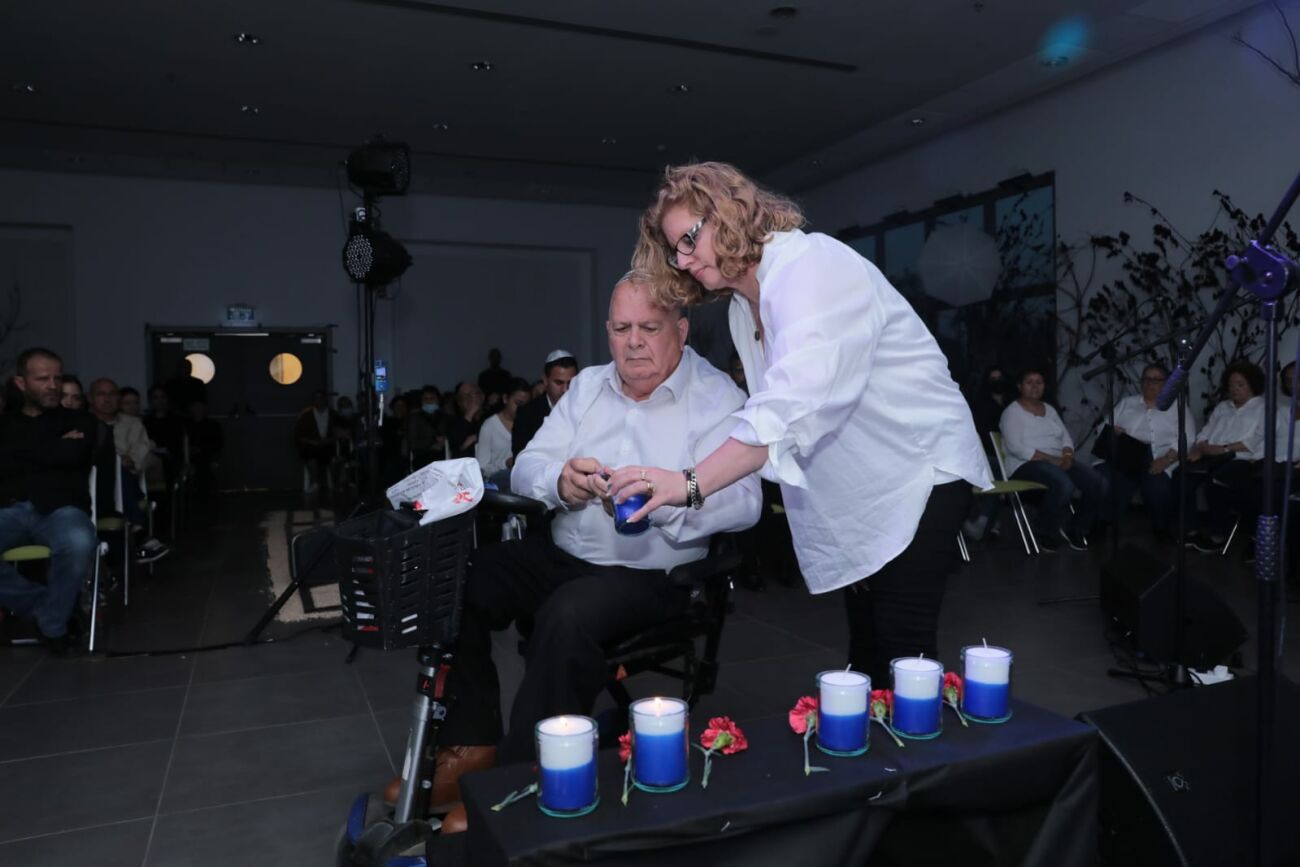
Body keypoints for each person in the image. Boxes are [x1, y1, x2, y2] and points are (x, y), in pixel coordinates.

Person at [615, 161, 992, 687]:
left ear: (730, 214)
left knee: (903, 649)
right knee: (869, 653)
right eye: (674, 249)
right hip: (864, 485)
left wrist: (689, 484)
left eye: (689, 239)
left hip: (918, 470)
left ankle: (917, 739)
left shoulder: (812, 267)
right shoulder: (742, 308)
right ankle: (880, 737)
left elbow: (787, 408)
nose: (682, 259)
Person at [424, 274, 762, 835]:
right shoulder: (586, 388)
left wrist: (667, 497)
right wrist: (560, 481)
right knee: (464, 576)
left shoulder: (716, 397)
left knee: (570, 613)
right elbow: (527, 466)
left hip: (656, 574)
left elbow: (747, 502)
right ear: (607, 332)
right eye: (622, 328)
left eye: (649, 328)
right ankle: (473, 744)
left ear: (680, 331)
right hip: (568, 557)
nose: (634, 342)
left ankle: (518, 782)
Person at [0, 348, 99, 654]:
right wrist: (54, 447)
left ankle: (53, 626)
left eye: (57, 377)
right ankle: (48, 608)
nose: (53, 385)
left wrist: (20, 453)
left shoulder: (80, 419)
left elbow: (73, 456)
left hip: (62, 510)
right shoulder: (6, 424)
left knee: (79, 542)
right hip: (10, 508)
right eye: (43, 379)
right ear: (21, 383)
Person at [998, 368, 1110, 552]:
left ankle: (1075, 527)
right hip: (1025, 463)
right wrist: (1051, 460)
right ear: (1020, 386)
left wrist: (1067, 456)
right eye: (1029, 382)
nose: (1035, 386)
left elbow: (1065, 437)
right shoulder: (1012, 412)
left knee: (1098, 482)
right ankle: (1044, 530)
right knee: (1063, 483)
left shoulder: (1049, 409)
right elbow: (1016, 447)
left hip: (1058, 460)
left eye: (1039, 382)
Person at [1097, 362, 1196, 537]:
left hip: (1159, 455)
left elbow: (1187, 437)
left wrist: (1167, 459)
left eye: (1157, 380)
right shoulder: (1128, 403)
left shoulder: (1177, 406)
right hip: (1128, 452)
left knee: (1156, 489)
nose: (1151, 383)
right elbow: (1102, 427)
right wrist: (1113, 430)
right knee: (1115, 482)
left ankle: (1161, 527)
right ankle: (1102, 524)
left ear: (1166, 383)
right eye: (1147, 379)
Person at [1181, 359, 1267, 552]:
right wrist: (1202, 446)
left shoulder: (1263, 408)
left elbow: (1257, 439)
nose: (1234, 389)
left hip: (1241, 459)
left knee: (1217, 481)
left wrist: (1224, 449)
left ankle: (1218, 535)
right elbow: (1205, 432)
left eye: (1240, 384)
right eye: (1231, 385)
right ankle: (1191, 529)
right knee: (1183, 476)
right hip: (1211, 455)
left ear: (1252, 385)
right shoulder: (1223, 407)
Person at [88, 377, 169, 564]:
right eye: (101, 394)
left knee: (119, 471)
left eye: (112, 394)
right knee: (113, 467)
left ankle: (137, 536)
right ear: (90, 398)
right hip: (91, 484)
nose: (107, 399)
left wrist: (121, 461)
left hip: (125, 481)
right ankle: (140, 534)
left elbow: (137, 459)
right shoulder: (83, 423)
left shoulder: (132, 424)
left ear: (118, 398)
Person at [511, 350, 578, 456]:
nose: (565, 390)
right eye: (559, 383)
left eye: (571, 383)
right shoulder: (527, 413)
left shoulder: (585, 409)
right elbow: (521, 456)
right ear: (545, 380)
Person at [474, 377, 531, 490]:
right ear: (505, 399)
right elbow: (482, 466)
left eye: (526, 405)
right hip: (497, 482)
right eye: (518, 403)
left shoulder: (529, 423)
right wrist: (505, 463)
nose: (522, 409)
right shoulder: (489, 426)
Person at [293, 390, 341, 492]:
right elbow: (299, 436)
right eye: (316, 398)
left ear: (325, 399)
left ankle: (335, 483)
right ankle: (314, 483)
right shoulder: (306, 416)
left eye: (321, 398)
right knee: (311, 456)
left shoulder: (334, 415)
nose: (319, 401)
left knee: (335, 457)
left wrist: (330, 440)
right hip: (312, 446)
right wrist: (313, 442)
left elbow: (339, 432)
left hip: (329, 446)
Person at [444, 382, 485, 459]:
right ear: (459, 402)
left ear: (482, 397)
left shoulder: (492, 417)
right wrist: (469, 414)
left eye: (473, 394)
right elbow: (457, 450)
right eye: (464, 396)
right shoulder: (452, 422)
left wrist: (478, 436)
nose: (469, 398)